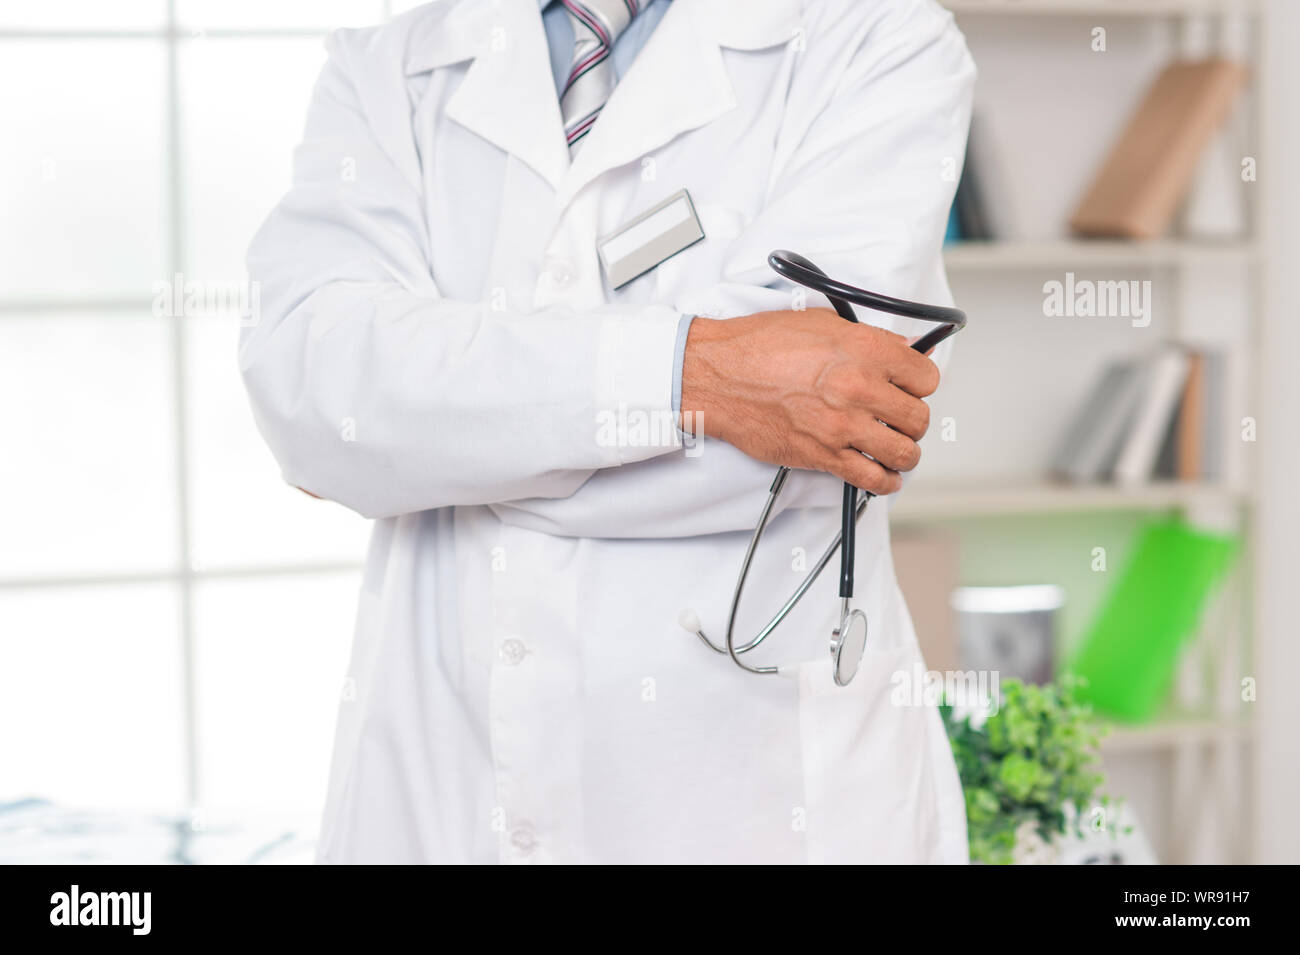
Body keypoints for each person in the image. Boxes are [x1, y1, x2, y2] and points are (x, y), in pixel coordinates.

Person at [242, 0, 976, 863]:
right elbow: (315, 396)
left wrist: (439, 440)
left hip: (755, 799)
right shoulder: (390, 64)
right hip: (441, 791)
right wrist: (696, 370)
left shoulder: (879, 39)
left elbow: (803, 447)